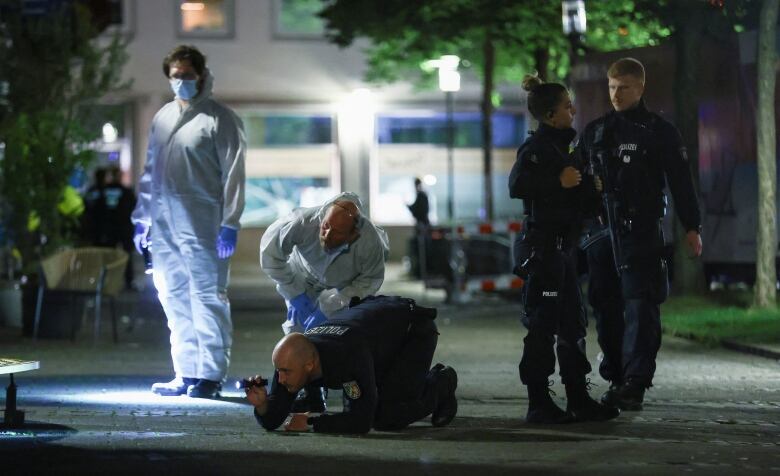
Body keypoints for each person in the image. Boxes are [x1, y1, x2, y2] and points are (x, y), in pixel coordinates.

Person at [578, 58, 702, 411]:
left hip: (641, 231)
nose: (616, 95)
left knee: (641, 307)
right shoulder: (596, 131)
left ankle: (635, 381)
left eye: (624, 88)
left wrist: (692, 226)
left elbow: (680, 181)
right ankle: (616, 375)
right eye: (612, 87)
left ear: (641, 88)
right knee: (605, 308)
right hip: (601, 234)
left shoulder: (659, 132)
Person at [131, 45, 246, 399]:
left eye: (188, 75)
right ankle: (185, 372)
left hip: (204, 222)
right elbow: (151, 172)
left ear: (201, 75)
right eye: (176, 76)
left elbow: (234, 174)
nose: (181, 81)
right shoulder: (163, 117)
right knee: (173, 296)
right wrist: (142, 220)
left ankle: (209, 375)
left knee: (207, 295)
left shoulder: (218, 118)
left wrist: (231, 221)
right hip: (164, 224)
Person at [508, 74, 619, 424]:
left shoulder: (572, 145)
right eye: (566, 105)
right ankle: (538, 402)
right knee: (542, 325)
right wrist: (557, 181)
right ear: (550, 115)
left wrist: (592, 188)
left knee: (573, 324)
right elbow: (518, 185)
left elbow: (578, 198)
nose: (573, 109)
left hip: (566, 250)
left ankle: (577, 397)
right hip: (543, 249)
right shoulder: (537, 148)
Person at [244, 295, 458, 434]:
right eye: (279, 370)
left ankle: (442, 382)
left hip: (412, 331)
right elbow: (273, 419)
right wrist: (263, 405)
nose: (280, 379)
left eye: (285, 372)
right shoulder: (292, 358)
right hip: (375, 332)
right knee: (379, 401)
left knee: (387, 417)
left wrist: (312, 424)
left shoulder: (344, 357)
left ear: (310, 365)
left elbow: (361, 420)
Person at [259, 192, 389, 410]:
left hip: (344, 288)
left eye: (337, 232)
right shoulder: (301, 222)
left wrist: (333, 304)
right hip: (301, 279)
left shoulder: (370, 242)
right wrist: (294, 292)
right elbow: (271, 255)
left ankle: (354, 394)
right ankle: (312, 395)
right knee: (297, 335)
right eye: (325, 226)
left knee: (336, 341)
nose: (327, 235)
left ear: (353, 235)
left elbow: (370, 280)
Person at [102, 165, 136, 289]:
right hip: (124, 227)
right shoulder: (126, 191)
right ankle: (128, 281)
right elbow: (133, 208)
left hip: (110, 227)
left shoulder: (105, 191)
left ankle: (108, 281)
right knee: (127, 255)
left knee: (109, 256)